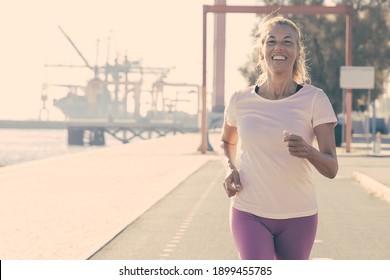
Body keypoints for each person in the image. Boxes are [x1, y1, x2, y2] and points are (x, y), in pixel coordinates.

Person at [220, 15, 338, 260]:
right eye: (271, 41)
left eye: (288, 42)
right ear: (262, 51)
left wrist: (308, 151)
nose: (279, 47)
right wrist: (230, 167)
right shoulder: (240, 100)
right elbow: (226, 141)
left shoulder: (315, 99)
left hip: (299, 216)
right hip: (249, 211)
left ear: (297, 52)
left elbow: (331, 167)